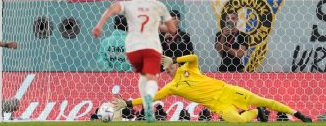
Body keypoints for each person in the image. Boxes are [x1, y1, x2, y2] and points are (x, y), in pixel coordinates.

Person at [112, 54, 313, 123]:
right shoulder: (172, 87)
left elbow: (194, 58)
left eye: (169, 62)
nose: (170, 65)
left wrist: (175, 58)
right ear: (166, 71)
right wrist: (129, 102)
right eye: (167, 64)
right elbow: (151, 98)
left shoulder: (188, 68)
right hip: (218, 106)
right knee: (236, 121)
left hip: (228, 90)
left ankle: (298, 114)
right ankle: (254, 113)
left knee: (265, 100)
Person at [92, 0, 177, 122]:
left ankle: (122, 111)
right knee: (149, 79)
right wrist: (160, 27)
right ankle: (146, 101)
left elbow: (100, 60)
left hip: (119, 70)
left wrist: (99, 26)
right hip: (146, 47)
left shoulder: (107, 40)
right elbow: (172, 30)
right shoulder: (158, 6)